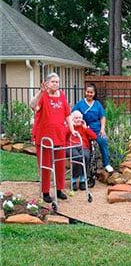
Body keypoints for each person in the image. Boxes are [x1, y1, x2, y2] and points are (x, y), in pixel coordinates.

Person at [30, 73, 77, 203]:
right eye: (53, 82)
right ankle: (45, 191)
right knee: (45, 165)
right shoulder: (43, 95)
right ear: (47, 83)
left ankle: (59, 189)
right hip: (44, 137)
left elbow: (67, 114)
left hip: (59, 135)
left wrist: (72, 130)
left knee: (60, 164)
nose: (55, 84)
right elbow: (33, 106)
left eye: (57, 82)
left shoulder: (62, 95)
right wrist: (40, 92)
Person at [72, 84, 113, 173]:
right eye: (88, 92)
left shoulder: (97, 104)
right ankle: (86, 168)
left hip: (96, 129)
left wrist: (102, 129)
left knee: (103, 141)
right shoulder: (80, 104)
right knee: (86, 146)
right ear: (85, 92)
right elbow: (72, 114)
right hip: (84, 129)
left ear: (94, 93)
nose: (89, 94)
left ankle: (106, 164)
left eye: (91, 92)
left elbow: (102, 117)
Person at [67, 110, 97, 191]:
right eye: (76, 118)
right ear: (72, 120)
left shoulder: (84, 128)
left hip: (83, 146)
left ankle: (82, 180)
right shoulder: (69, 128)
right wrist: (71, 127)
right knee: (77, 157)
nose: (78, 119)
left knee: (85, 156)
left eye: (80, 118)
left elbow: (94, 137)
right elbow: (64, 136)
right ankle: (74, 179)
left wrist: (86, 128)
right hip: (71, 146)